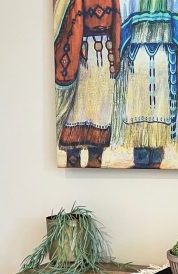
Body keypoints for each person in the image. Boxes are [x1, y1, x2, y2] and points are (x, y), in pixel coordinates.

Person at [112, 0, 178, 169]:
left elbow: (120, 22)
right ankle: (147, 158)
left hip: (150, 57)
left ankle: (149, 159)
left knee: (154, 107)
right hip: (151, 57)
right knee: (144, 107)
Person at [55, 0, 122, 168]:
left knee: (100, 107)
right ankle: (75, 157)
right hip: (83, 54)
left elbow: (116, 22)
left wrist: (116, 55)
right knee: (79, 106)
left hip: (103, 54)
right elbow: (73, 21)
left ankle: (94, 158)